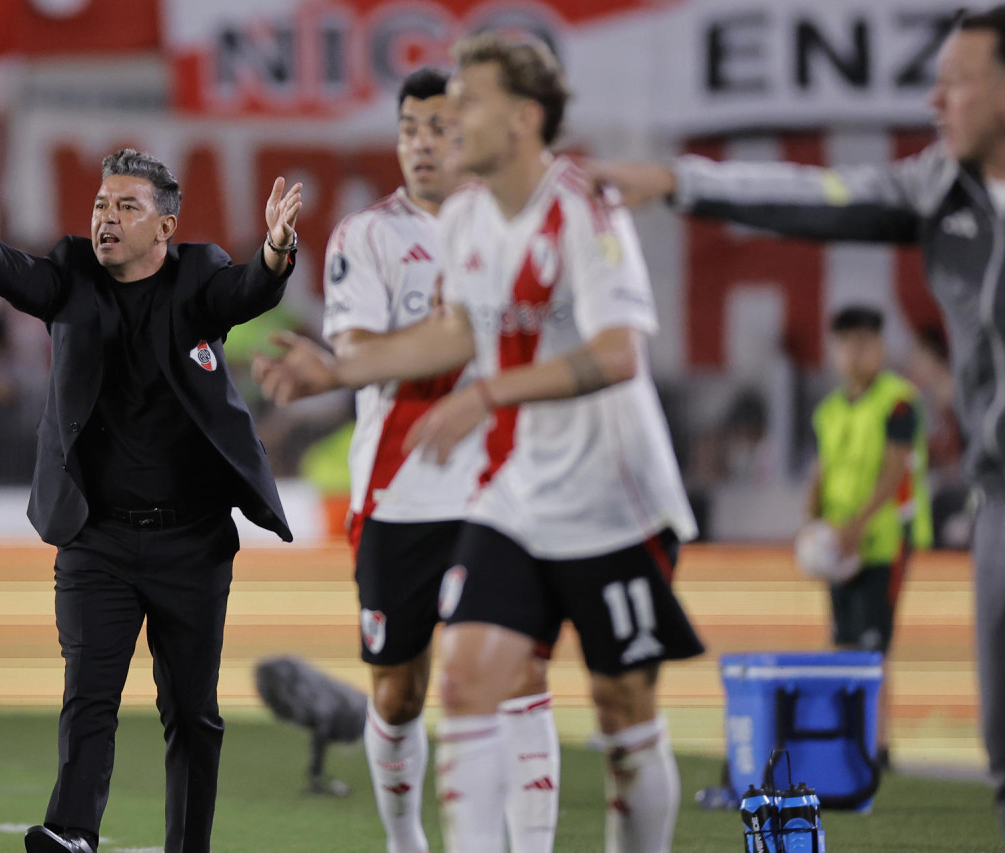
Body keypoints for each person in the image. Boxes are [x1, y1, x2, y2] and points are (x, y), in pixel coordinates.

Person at [257, 34, 703, 853]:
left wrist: (491, 391)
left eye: (469, 102)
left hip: (612, 493)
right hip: (517, 494)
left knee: (623, 709)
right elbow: (456, 332)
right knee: (464, 681)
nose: (449, 119)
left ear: (524, 118)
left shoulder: (583, 209)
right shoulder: (466, 219)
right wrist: (338, 369)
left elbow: (617, 354)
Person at [588, 5, 1005, 835]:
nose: (936, 100)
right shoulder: (938, 187)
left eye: (956, 82)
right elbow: (814, 194)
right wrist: (683, 181)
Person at [0, 149, 301, 853]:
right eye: (101, 207)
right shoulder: (72, 274)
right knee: (89, 693)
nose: (106, 220)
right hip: (96, 536)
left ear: (165, 227)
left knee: (192, 712)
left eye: (126, 208)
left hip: (192, 540)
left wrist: (275, 247)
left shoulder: (198, 277)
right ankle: (73, 831)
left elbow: (248, 294)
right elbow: (5, 269)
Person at [258, 67, 561, 853]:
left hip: (500, 491)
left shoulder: (518, 227)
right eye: (407, 131)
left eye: (438, 129)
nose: (421, 145)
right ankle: (404, 839)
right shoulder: (369, 237)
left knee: (521, 678)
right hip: (400, 494)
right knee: (399, 689)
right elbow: (356, 352)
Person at [809, 305, 933, 767]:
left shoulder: (899, 400)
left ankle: (878, 749)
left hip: (883, 542)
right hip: (838, 545)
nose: (857, 353)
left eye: (866, 343)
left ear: (880, 348)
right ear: (835, 350)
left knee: (873, 647)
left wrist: (855, 528)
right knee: (842, 641)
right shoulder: (830, 410)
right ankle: (847, 738)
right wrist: (811, 521)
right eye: (848, 344)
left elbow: (895, 468)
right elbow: (821, 472)